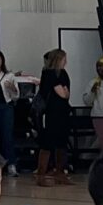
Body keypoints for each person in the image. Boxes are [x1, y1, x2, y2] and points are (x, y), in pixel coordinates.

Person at [34, 48, 75, 187]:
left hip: (62, 112)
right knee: (48, 142)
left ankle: (60, 172)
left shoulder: (63, 73)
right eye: (64, 59)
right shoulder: (49, 74)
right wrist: (63, 90)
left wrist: (63, 90)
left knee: (62, 143)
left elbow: (66, 93)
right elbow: (62, 93)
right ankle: (41, 173)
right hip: (51, 113)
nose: (66, 61)